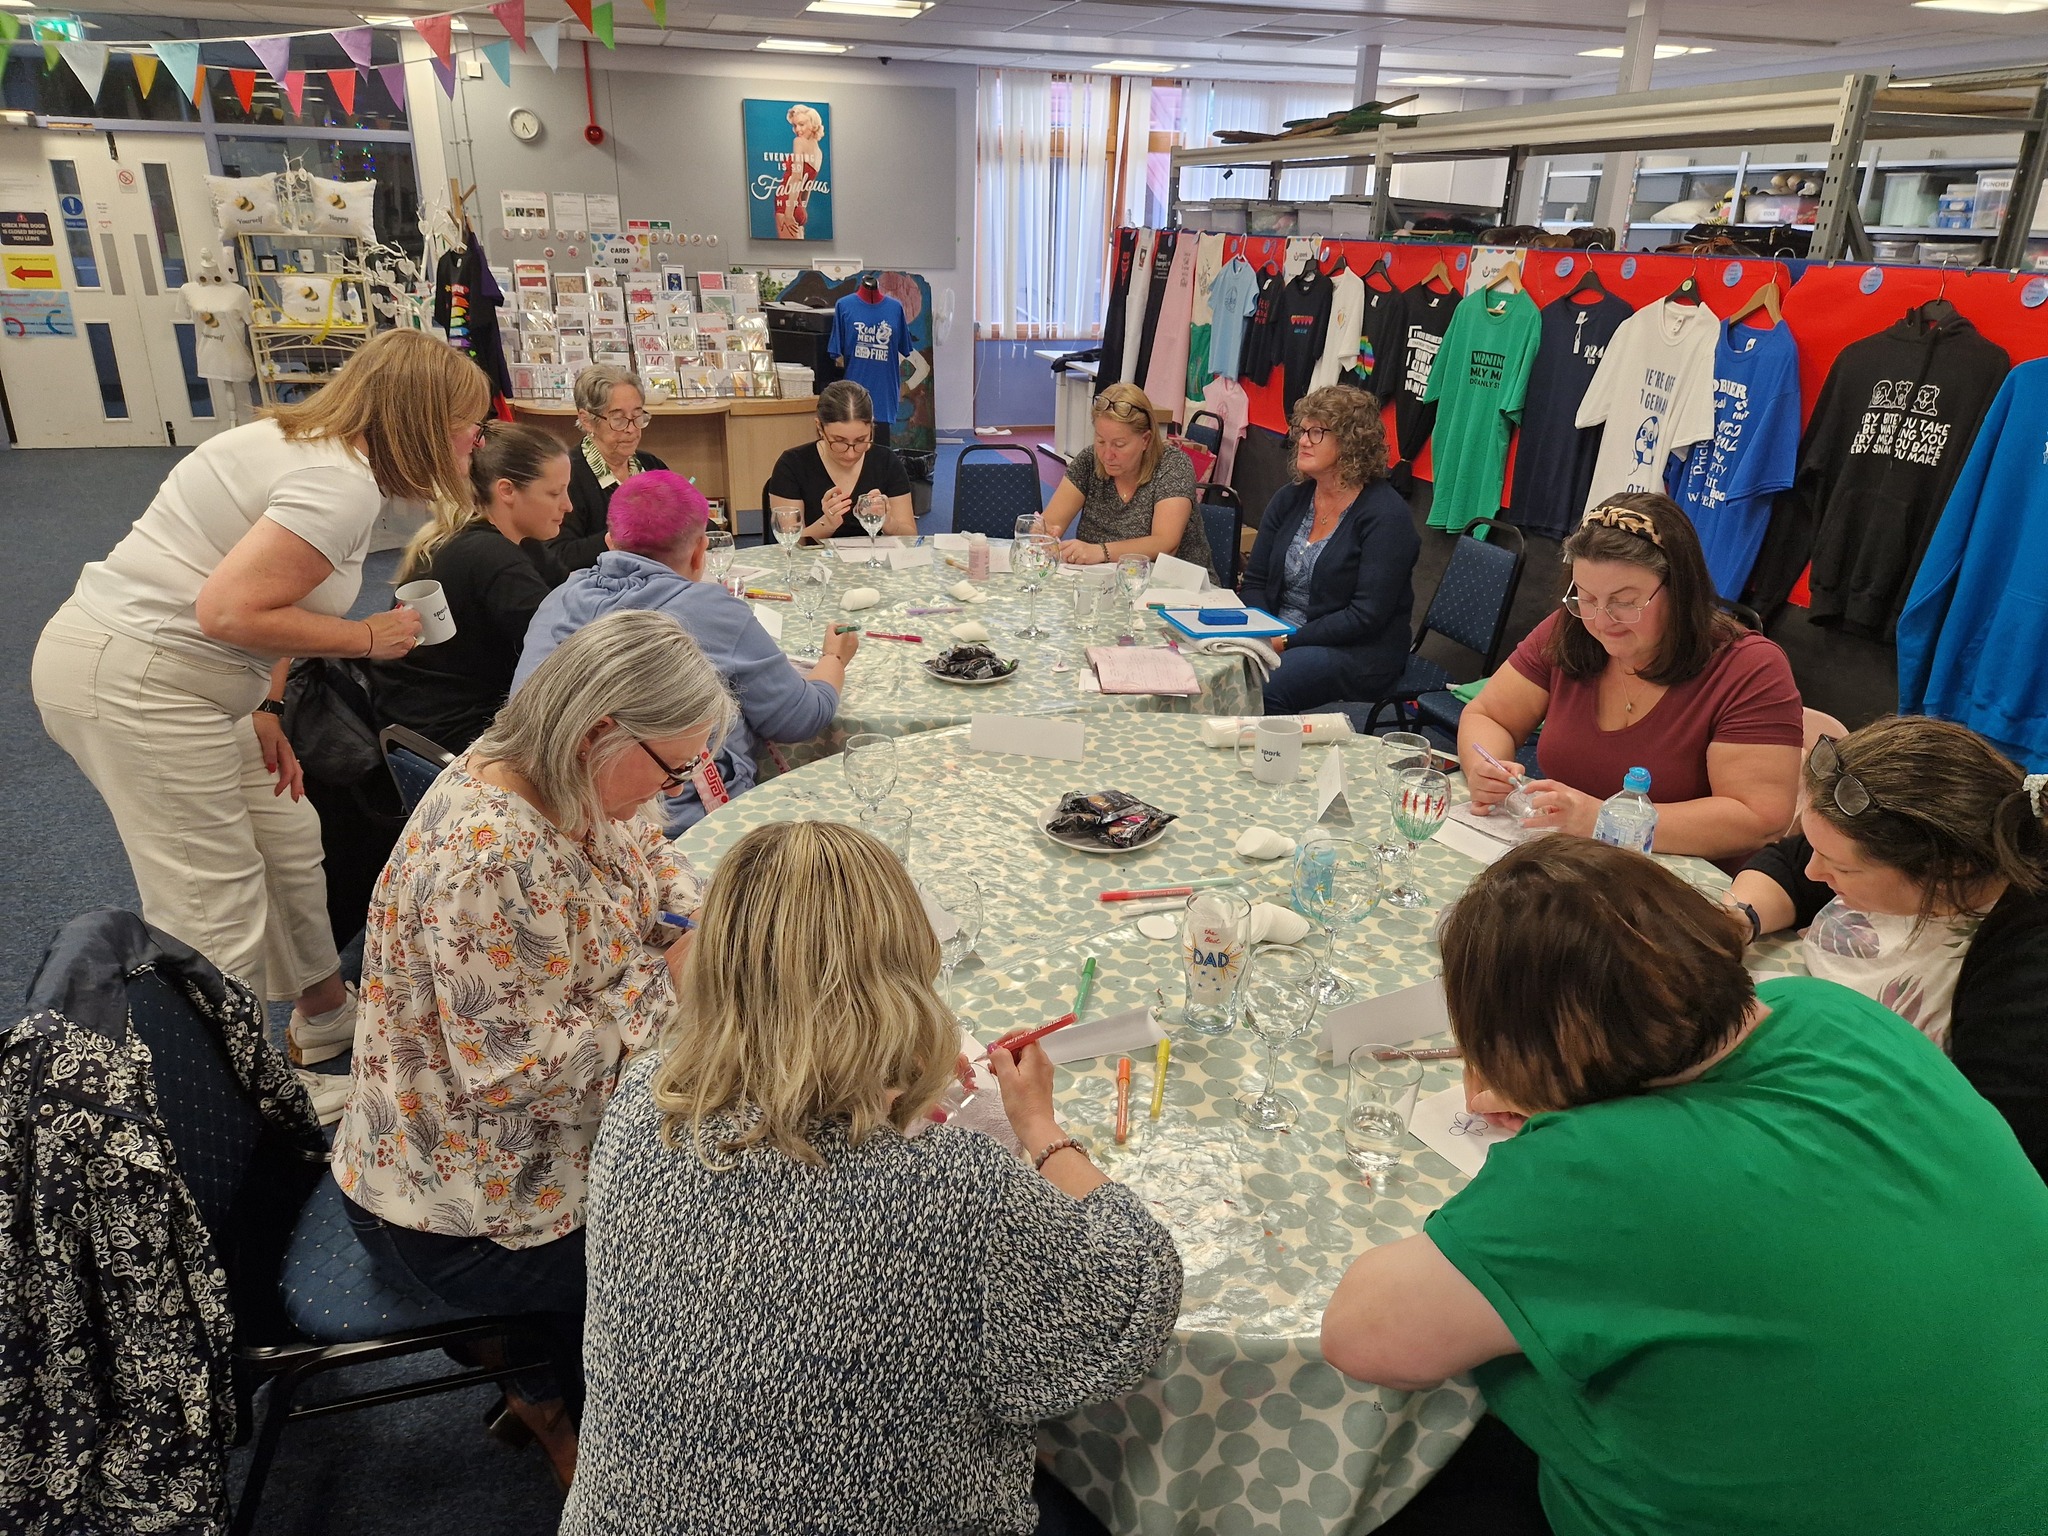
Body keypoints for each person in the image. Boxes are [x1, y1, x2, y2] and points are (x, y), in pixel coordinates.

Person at [1323, 837, 2048, 1536]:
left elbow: (1366, 1338)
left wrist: (1551, 1117)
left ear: (1536, 1047)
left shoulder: (1598, 1170)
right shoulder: (1838, 1014)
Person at [562, 819, 1183, 1536]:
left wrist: (876, 1083)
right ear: (904, 971)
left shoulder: (642, 1100)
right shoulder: (957, 1188)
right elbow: (1136, 1288)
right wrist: (1040, 1127)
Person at [332, 609, 735, 1486]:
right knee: (724, 1242)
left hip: (510, 1149)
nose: (675, 789)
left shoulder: (561, 773)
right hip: (472, 1206)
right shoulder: (493, 854)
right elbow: (521, 1078)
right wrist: (671, 968)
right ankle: (573, 1411)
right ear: (600, 728)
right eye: (674, 767)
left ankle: (544, 1375)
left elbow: (653, 861)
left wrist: (697, 920)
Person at [30, 328, 485, 1066]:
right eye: (468, 422)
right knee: (212, 907)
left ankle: (325, 1016)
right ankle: (232, 1101)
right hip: (142, 680)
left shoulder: (305, 445)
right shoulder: (339, 484)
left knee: (289, 841)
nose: (476, 438)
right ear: (423, 420)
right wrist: (368, 637)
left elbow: (265, 595)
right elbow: (230, 612)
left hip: (198, 680)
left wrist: (265, 707)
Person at [1727, 715, 2048, 1177]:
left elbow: (1987, 1142)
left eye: (1841, 869)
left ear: (1947, 871)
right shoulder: (1961, 841)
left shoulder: (2025, 977)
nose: (1817, 873)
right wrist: (1738, 919)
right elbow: (1792, 864)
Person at [1458, 492, 1802, 869]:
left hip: (1680, 884)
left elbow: (1758, 820)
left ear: (1679, 591)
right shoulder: (1569, 631)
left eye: (1625, 601)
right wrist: (1485, 769)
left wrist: (1603, 820)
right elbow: (1489, 715)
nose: (1602, 622)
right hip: (1571, 865)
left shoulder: (1750, 668)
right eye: (1585, 598)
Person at [515, 471, 856, 831]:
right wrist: (834, 658)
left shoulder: (558, 599)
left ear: (610, 543)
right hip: (677, 825)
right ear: (699, 551)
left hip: (553, 816)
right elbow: (798, 717)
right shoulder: (708, 608)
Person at [370, 421, 569, 753]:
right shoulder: (490, 556)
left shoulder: (490, 539)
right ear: (506, 491)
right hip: (455, 738)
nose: (567, 506)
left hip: (420, 721)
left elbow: (569, 601)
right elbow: (565, 650)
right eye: (554, 493)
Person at [1239, 385, 1420, 714]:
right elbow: (1255, 581)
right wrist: (1261, 631)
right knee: (1212, 665)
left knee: (1263, 687)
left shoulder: (1386, 517)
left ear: (1352, 442)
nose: (1303, 440)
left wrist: (1287, 641)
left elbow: (1365, 617)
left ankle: (1273, 761)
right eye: (1302, 430)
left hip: (1357, 650)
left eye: (1317, 431)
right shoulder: (1291, 498)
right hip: (1279, 634)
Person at [1042, 382, 1211, 572]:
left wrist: (1101, 552)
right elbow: (1050, 524)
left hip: (1178, 586)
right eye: (1100, 441)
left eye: (1119, 445)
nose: (1107, 454)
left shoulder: (1173, 465)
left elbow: (1166, 543)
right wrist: (1042, 534)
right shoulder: (1089, 460)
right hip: (1103, 583)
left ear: (1145, 440)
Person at [766, 380, 916, 543]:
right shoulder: (792, 465)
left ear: (871, 427)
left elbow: (911, 537)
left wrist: (887, 521)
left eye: (861, 440)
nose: (851, 454)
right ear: (820, 427)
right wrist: (827, 524)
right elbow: (788, 544)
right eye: (839, 441)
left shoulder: (886, 462)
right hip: (813, 566)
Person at [551, 365, 670, 571]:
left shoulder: (651, 466)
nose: (632, 429)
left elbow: (700, 523)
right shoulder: (568, 476)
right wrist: (628, 532)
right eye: (618, 419)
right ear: (587, 420)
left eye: (638, 416)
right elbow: (560, 556)